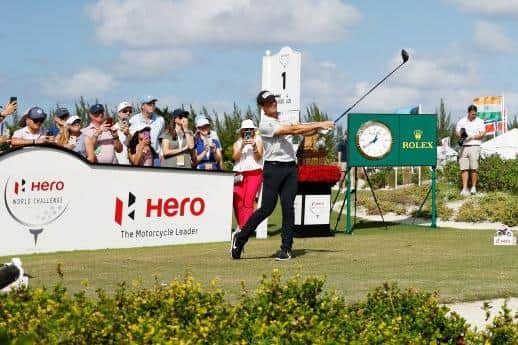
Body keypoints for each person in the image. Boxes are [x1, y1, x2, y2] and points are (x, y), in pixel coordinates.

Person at [231, 90, 335, 260]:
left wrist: (319, 129)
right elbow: (293, 130)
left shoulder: (284, 117)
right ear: (262, 107)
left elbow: (302, 131)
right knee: (266, 209)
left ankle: (286, 248)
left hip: (290, 168)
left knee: (288, 207)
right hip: (273, 169)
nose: (273, 103)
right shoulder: (265, 124)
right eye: (268, 102)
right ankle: (240, 238)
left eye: (273, 100)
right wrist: (319, 124)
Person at [232, 119, 264, 233]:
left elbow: (259, 157)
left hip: (254, 172)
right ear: (242, 131)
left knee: (248, 201)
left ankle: (245, 227)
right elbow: (235, 157)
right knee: (237, 200)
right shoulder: (237, 142)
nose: (248, 131)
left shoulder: (258, 140)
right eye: (246, 129)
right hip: (239, 173)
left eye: (250, 129)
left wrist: (254, 146)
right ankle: (241, 225)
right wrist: (241, 147)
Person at [455, 104, 486, 196]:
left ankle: (473, 187)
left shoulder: (480, 121)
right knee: (464, 168)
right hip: (463, 147)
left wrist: (472, 137)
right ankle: (464, 188)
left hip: (474, 146)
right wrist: (462, 136)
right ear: (468, 113)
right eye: (472, 114)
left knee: (474, 168)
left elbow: (483, 134)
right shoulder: (462, 121)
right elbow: (457, 131)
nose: (474, 116)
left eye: (475, 114)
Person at [129, 96, 165, 166]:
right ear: (142, 106)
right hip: (140, 156)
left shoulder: (160, 120)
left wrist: (162, 153)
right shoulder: (133, 120)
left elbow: (161, 139)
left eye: (153, 103)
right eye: (149, 104)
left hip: (156, 157)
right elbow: (131, 139)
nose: (152, 106)